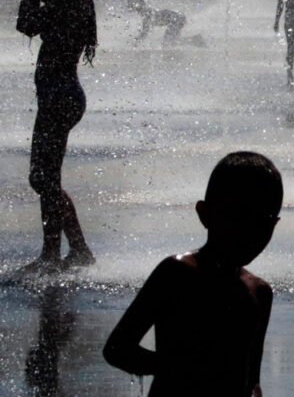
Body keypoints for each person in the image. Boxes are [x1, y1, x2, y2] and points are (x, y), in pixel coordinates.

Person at [103, 151, 282, 396]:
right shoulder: (176, 274)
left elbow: (252, 380)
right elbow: (116, 349)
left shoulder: (260, 293)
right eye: (239, 217)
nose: (249, 233)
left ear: (275, 224)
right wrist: (182, 368)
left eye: (263, 222)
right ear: (204, 213)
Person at [16, 0, 96, 272]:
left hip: (61, 97)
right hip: (55, 96)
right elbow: (27, 23)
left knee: (46, 178)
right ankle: (76, 250)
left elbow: (24, 22)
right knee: (43, 178)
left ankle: (54, 254)